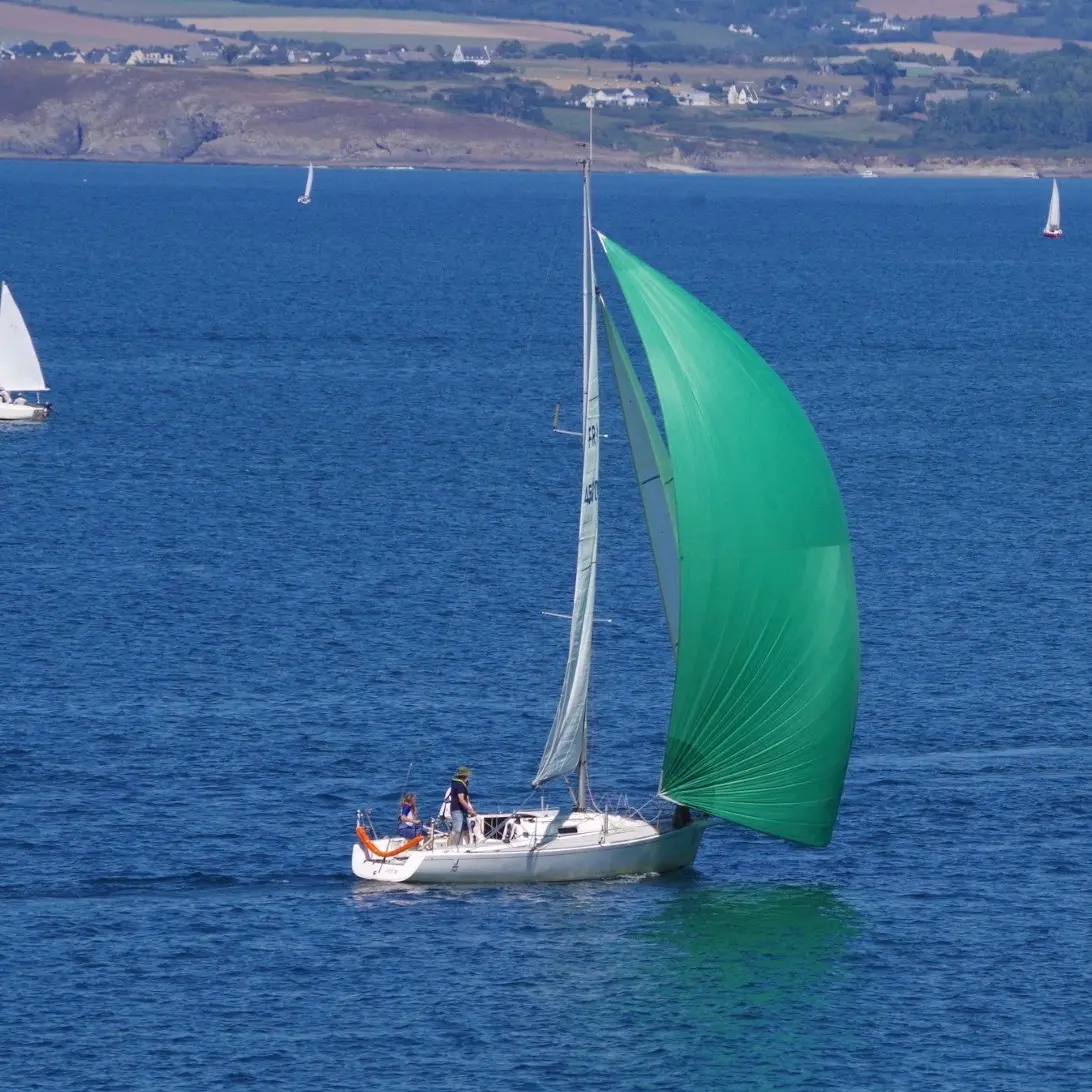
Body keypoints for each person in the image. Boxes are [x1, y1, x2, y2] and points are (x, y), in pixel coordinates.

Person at [448, 766, 475, 847]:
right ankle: (451, 847)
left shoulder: (455, 783)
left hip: (461, 810)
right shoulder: (460, 785)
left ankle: (466, 846)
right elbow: (461, 799)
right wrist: (470, 810)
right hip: (457, 810)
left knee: (465, 829)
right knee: (456, 830)